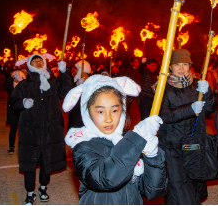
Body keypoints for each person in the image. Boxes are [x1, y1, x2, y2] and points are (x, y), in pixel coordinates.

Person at [63, 75, 168, 204]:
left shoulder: (128, 141)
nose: (109, 118)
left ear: (122, 111)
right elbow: (107, 179)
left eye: (114, 110)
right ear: (88, 112)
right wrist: (135, 140)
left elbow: (153, 192)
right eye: (100, 112)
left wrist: (153, 157)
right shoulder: (83, 148)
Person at [139, 49, 216, 204]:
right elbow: (164, 115)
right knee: (177, 186)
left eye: (185, 64)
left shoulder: (196, 85)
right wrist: (190, 109)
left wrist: (207, 93)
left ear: (190, 66)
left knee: (193, 182)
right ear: (170, 67)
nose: (181, 68)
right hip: (171, 145)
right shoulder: (163, 87)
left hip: (192, 144)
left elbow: (210, 109)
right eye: (177, 65)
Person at [9, 54, 69, 204]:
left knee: (46, 160)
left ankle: (43, 187)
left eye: (40, 60)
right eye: (34, 61)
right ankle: (30, 193)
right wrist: (22, 102)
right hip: (30, 131)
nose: (37, 62)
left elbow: (67, 89)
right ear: (29, 65)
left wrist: (65, 72)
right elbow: (13, 104)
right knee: (29, 162)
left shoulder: (53, 83)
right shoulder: (24, 85)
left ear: (44, 63)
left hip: (50, 130)